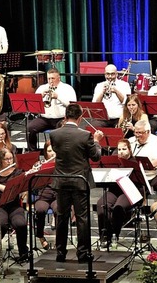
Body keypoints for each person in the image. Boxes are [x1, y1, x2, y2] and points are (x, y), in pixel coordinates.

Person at [50, 103, 103, 263]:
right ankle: (83, 254)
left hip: (61, 181)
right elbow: (95, 157)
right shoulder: (85, 135)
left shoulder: (54, 134)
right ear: (80, 118)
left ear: (65, 116)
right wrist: (97, 141)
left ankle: (60, 253)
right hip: (80, 181)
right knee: (82, 218)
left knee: (61, 217)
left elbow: (59, 152)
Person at [96, 139, 137, 247]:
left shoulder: (134, 162)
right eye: (119, 149)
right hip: (114, 190)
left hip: (129, 191)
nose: (121, 152)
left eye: (124, 149)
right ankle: (104, 236)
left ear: (130, 150)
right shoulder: (113, 162)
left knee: (118, 207)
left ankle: (114, 234)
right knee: (101, 205)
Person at [28, 68, 76, 151]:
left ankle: (60, 153)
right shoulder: (42, 88)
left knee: (61, 132)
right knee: (30, 128)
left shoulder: (67, 88)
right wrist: (40, 97)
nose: (50, 81)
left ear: (59, 78)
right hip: (44, 118)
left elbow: (72, 105)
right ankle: (33, 152)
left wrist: (58, 97)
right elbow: (33, 106)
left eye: (53, 78)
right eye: (49, 79)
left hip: (61, 118)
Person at [127, 120, 157, 197]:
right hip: (137, 176)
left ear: (148, 132)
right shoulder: (131, 141)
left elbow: (156, 162)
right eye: (136, 132)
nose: (138, 135)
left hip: (154, 174)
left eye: (140, 133)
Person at [34, 140, 57, 250]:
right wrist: (35, 172)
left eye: (54, 150)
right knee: (40, 210)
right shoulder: (40, 164)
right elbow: (33, 184)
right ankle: (41, 237)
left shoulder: (63, 164)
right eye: (49, 151)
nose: (52, 153)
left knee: (59, 209)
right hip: (43, 196)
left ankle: (59, 239)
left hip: (57, 195)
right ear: (45, 152)